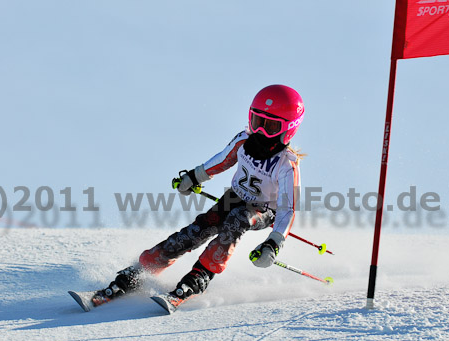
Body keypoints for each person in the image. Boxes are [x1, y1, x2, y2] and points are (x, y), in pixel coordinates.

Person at [100, 84, 304, 308]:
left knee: (238, 219)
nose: (261, 132)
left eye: (271, 126)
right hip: (236, 197)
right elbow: (221, 161)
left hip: (263, 210)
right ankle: (140, 272)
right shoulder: (244, 141)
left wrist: (273, 243)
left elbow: (288, 208)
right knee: (197, 230)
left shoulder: (287, 165)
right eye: (258, 122)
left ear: (289, 129)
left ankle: (198, 278)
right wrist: (194, 177)